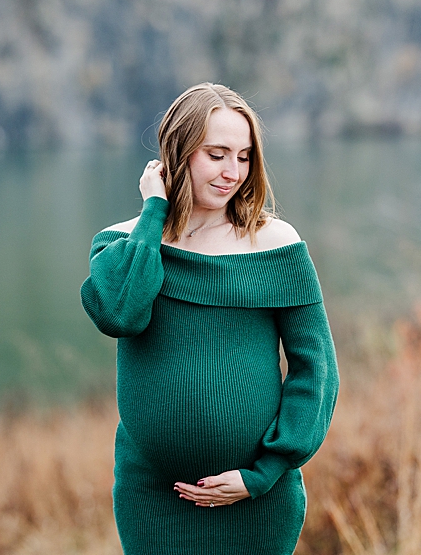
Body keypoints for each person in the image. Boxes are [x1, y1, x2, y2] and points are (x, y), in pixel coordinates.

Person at [80, 82, 339, 554]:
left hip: (257, 498)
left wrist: (263, 473)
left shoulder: (275, 244)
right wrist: (155, 211)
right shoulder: (123, 244)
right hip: (154, 497)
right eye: (216, 154)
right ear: (177, 155)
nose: (232, 172)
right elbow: (120, 313)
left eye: (242, 157)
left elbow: (315, 369)